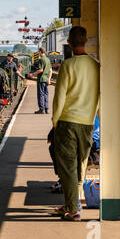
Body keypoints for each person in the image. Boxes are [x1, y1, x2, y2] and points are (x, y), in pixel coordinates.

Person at [52, 26, 100, 221]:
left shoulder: (68, 65)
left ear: (69, 43)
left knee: (67, 166)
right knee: (79, 164)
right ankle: (72, 203)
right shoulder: (96, 65)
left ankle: (73, 210)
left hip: (68, 122)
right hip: (88, 123)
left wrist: (55, 122)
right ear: (86, 41)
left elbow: (59, 97)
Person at [27, 47, 52, 114]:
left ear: (41, 52)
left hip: (41, 79)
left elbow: (41, 70)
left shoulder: (41, 60)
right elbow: (50, 71)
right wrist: (49, 79)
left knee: (40, 94)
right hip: (46, 79)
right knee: (46, 94)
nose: (38, 53)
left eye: (39, 52)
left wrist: (32, 74)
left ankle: (41, 109)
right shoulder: (47, 59)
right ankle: (46, 109)